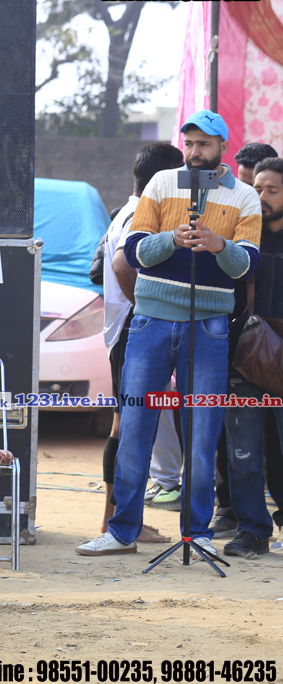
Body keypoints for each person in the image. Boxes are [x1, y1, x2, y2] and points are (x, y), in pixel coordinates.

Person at [76, 110, 261, 558]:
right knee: (136, 426)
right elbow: (135, 251)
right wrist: (172, 240)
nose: (195, 152)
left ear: (222, 147)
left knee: (202, 432)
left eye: (204, 144)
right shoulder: (160, 184)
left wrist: (219, 245)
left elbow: (247, 265)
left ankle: (196, 536)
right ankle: (122, 531)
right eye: (190, 143)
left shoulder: (245, 197)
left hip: (209, 326)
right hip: (151, 321)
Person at [101, 143, 184, 538]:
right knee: (127, 426)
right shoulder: (139, 214)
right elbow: (121, 265)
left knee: (124, 424)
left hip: (121, 328)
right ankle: (116, 521)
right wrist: (146, 306)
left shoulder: (126, 210)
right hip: (130, 329)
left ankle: (116, 518)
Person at [212, 140, 280, 537]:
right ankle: (252, 530)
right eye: (256, 188)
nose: (262, 196)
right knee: (242, 454)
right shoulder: (240, 238)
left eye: (272, 190)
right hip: (244, 358)